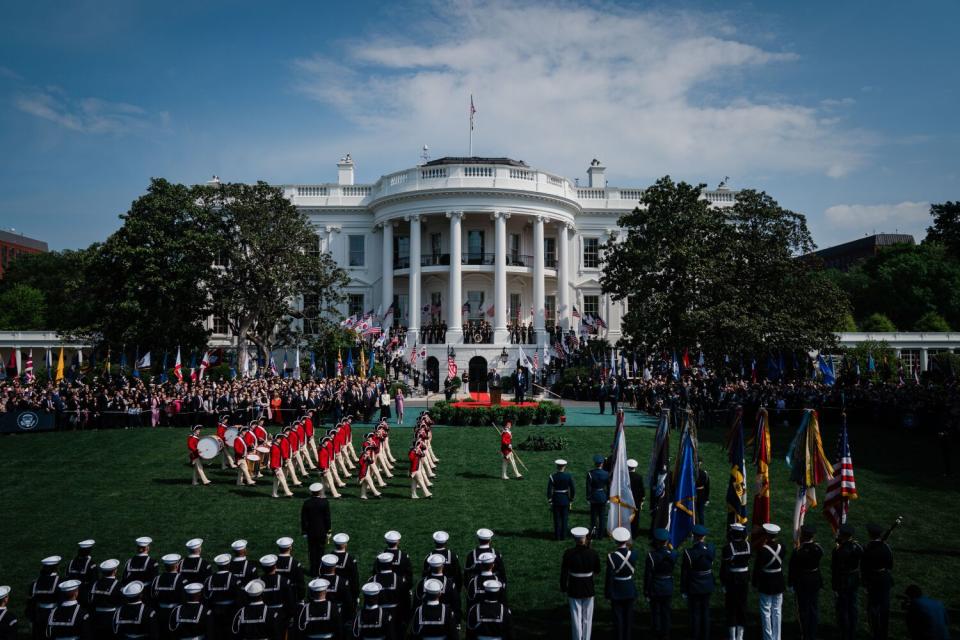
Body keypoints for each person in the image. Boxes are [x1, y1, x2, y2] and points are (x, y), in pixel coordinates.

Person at [560, 527, 600, 640]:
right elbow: (597, 571)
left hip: (574, 587)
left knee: (576, 617)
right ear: (586, 538)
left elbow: (564, 572)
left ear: (574, 538)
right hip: (588, 586)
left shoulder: (568, 553)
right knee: (587, 617)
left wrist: (563, 587)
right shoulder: (593, 553)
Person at [789, 523, 823, 640]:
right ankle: (812, 634)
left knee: (803, 609)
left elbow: (792, 568)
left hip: (802, 582)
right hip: (815, 580)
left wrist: (790, 583)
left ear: (802, 535)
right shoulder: (818, 549)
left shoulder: (798, 551)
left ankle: (805, 634)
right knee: (813, 608)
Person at [681, 524, 715, 640]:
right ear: (704, 537)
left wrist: (684, 589)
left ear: (694, 537)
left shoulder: (689, 552)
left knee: (695, 614)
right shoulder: (711, 548)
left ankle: (695, 636)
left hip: (694, 586)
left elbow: (685, 573)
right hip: (707, 585)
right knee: (705, 612)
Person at [604, 527, 637, 640]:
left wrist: (607, 592)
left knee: (618, 619)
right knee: (628, 618)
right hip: (629, 588)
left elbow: (609, 577)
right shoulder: (634, 554)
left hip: (617, 589)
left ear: (616, 541)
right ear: (626, 540)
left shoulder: (611, 557)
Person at [753, 523, 785, 640]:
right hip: (779, 581)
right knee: (777, 611)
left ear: (766, 535)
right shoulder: (783, 547)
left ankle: (768, 637)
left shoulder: (762, 551)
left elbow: (757, 568)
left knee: (766, 611)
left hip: (766, 582)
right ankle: (777, 637)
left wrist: (754, 582)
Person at [862, 522, 894, 640]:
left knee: (873, 609)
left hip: (873, 580)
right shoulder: (886, 547)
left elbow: (864, 566)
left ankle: (875, 633)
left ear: (870, 534)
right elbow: (890, 564)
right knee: (884, 608)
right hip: (885, 579)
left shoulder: (867, 548)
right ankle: (883, 634)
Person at [832, 523, 863, 640]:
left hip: (842, 580)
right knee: (853, 606)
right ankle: (852, 631)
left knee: (843, 608)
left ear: (843, 536)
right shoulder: (858, 547)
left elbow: (835, 568)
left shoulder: (838, 551)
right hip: (854, 579)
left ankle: (845, 632)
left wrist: (834, 585)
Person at [720, 523, 751, 640]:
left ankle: (732, 637)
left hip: (732, 580)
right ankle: (740, 636)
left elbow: (724, 568)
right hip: (744, 579)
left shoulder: (728, 548)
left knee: (731, 608)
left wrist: (723, 583)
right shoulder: (748, 545)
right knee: (742, 607)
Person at [645, 528, 677, 640]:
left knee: (655, 612)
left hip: (656, 586)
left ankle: (656, 631)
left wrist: (646, 591)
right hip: (668, 585)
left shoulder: (652, 555)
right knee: (666, 611)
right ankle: (666, 633)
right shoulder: (673, 554)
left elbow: (648, 575)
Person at [27, 554, 61, 639]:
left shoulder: (35, 582)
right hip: (54, 614)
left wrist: (31, 619)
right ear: (56, 567)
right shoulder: (59, 581)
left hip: (39, 614)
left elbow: (31, 602)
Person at [301, 483, 332, 576]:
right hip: (322, 532)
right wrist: (328, 530)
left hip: (310, 532)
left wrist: (304, 531)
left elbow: (304, 519)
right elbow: (327, 518)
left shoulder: (307, 503)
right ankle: (320, 570)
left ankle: (313, 571)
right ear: (320, 491)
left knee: (312, 552)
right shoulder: (325, 502)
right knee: (321, 551)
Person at [86, 559, 123, 638]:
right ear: (115, 571)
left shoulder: (95, 584)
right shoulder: (118, 585)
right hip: (111, 617)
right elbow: (121, 602)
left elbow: (90, 600)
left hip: (95, 617)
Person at [548, 459, 576, 540]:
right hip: (565, 499)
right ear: (564, 466)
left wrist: (550, 500)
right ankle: (563, 536)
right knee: (564, 519)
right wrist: (571, 499)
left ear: (557, 466)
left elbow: (549, 490)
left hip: (556, 499)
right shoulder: (568, 476)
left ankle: (557, 536)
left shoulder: (552, 476)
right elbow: (573, 489)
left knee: (557, 519)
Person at [585, 455, 609, 538]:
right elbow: (609, 487)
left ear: (595, 464)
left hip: (594, 497)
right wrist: (608, 497)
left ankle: (593, 533)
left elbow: (588, 487)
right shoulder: (606, 474)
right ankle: (601, 534)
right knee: (602, 516)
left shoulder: (590, 474)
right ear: (602, 464)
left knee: (593, 516)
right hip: (602, 496)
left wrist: (588, 497)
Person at [626, 459, 645, 539]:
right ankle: (634, 534)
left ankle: (625, 533)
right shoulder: (639, 477)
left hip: (626, 500)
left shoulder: (624, 477)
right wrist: (642, 499)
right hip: (636, 501)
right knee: (635, 518)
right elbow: (642, 490)